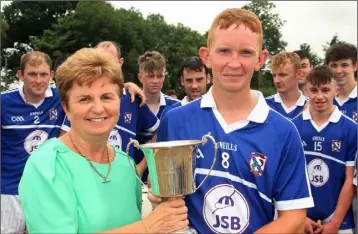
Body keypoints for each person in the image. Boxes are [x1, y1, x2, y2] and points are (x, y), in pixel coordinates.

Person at [150, 8, 314, 233]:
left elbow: (294, 217)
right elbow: (167, 197)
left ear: (261, 59)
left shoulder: (284, 132)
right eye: (224, 51)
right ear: (206, 56)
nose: (234, 63)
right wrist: (158, 196)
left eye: (246, 52)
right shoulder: (175, 121)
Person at [18, 48, 188, 233]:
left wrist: (161, 212)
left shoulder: (126, 164)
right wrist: (148, 226)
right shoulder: (47, 165)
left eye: (107, 97)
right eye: (85, 99)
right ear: (66, 108)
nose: (98, 109)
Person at [61, 41, 160, 177]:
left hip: (123, 179)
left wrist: (141, 167)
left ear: (120, 63)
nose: (98, 108)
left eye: (106, 98)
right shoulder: (79, 102)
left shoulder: (134, 99)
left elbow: (157, 133)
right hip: (84, 176)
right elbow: (64, 140)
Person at [1, 51, 67, 234]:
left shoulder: (61, 99)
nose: (38, 80)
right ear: (20, 75)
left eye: (44, 74)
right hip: (10, 188)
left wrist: (129, 85)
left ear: (52, 75)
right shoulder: (4, 102)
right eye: (32, 74)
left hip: (46, 187)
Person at [292, 65, 356, 234]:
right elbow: (288, 177)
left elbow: (350, 180)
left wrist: (334, 223)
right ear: (305, 91)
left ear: (336, 90)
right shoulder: (292, 127)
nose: (319, 96)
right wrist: (300, 217)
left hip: (339, 222)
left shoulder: (351, 129)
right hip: (300, 219)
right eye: (314, 90)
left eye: (326, 90)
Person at [265, 52, 308, 120]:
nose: (277, 81)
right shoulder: (264, 105)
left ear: (299, 74)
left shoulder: (312, 106)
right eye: (274, 75)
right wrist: (302, 115)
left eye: (282, 75)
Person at [325, 42, 357, 123]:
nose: (338, 71)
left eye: (344, 65)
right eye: (334, 66)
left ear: (355, 66)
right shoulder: (320, 100)